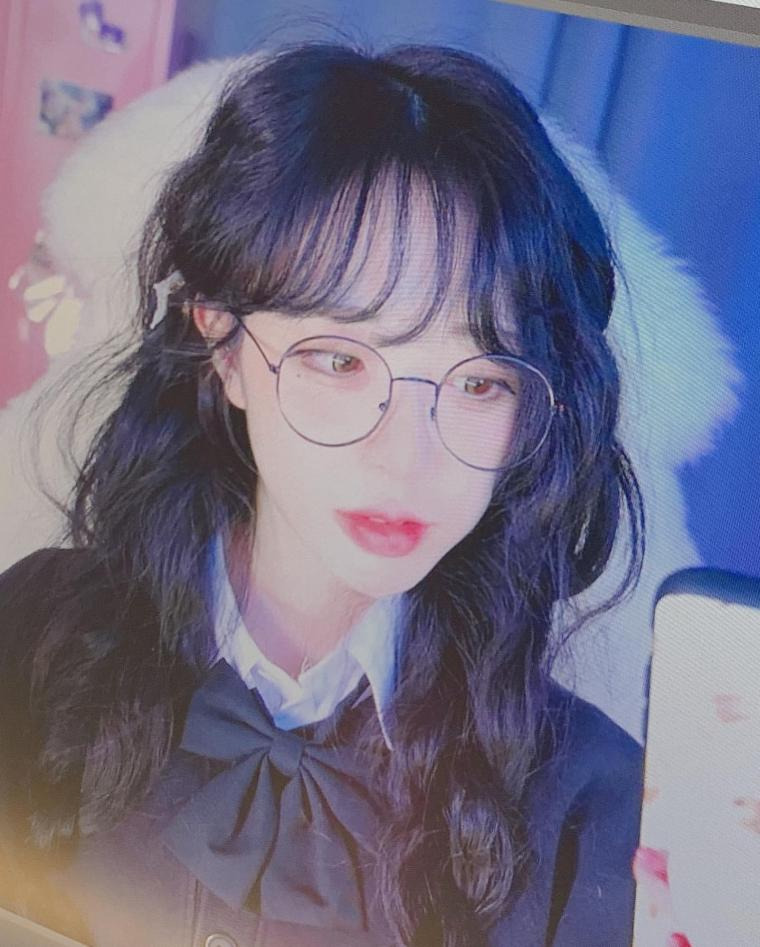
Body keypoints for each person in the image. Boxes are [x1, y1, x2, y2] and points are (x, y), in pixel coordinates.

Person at [0, 41, 645, 947]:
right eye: (339, 361)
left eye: (479, 382)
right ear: (223, 347)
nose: (405, 458)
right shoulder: (31, 636)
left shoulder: (595, 805)